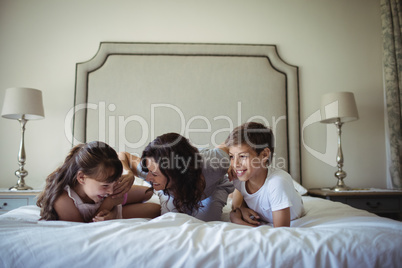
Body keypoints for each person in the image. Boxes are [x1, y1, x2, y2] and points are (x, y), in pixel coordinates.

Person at [117, 132, 234, 221]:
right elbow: (122, 156)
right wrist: (127, 172)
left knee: (203, 221)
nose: (148, 179)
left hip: (212, 188)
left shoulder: (214, 164)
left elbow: (228, 144)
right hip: (174, 187)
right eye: (149, 171)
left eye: (155, 174)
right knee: (171, 219)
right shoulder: (151, 166)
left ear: (176, 174)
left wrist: (232, 162)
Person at [37, 141, 160, 222]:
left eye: (114, 182)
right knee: (153, 209)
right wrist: (109, 204)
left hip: (107, 206)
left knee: (149, 194)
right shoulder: (63, 198)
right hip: (102, 212)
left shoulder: (101, 187)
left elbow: (121, 156)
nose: (111, 190)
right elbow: (80, 230)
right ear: (81, 178)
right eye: (106, 185)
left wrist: (127, 175)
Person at [225, 122, 304, 227]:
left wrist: (238, 221)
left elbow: (281, 231)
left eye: (243, 156)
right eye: (231, 156)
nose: (235, 164)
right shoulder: (239, 177)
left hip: (289, 198)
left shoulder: (277, 183)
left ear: (264, 154)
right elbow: (236, 206)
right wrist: (242, 209)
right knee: (234, 193)